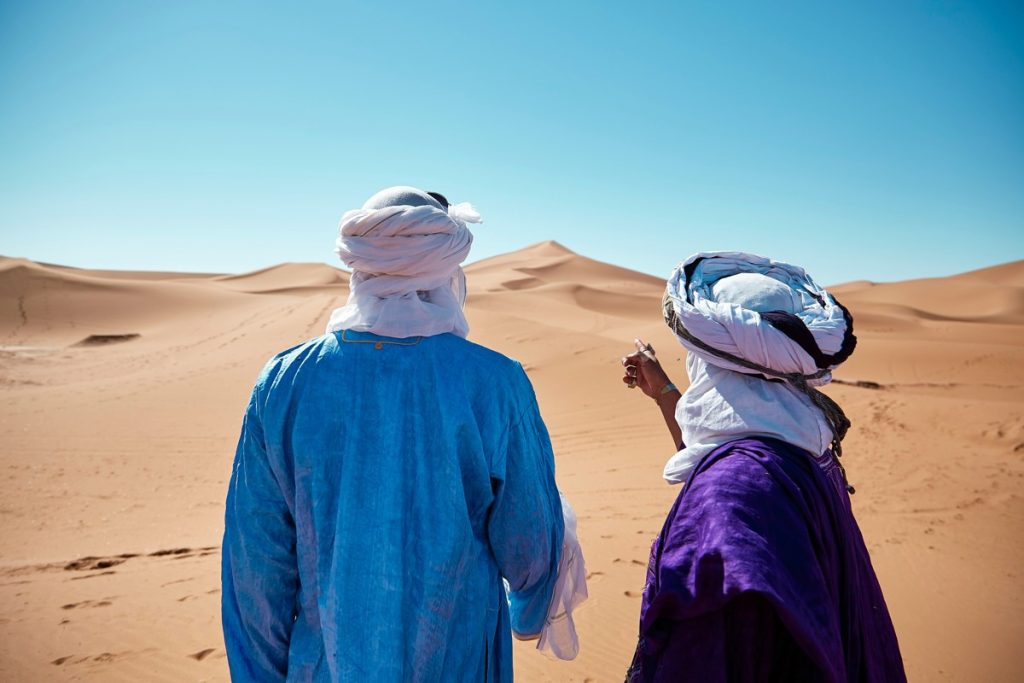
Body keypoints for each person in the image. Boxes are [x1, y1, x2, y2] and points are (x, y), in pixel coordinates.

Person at [221, 186, 585, 682]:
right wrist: (529, 606)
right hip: (455, 664)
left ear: (360, 266)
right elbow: (530, 545)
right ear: (446, 271)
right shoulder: (495, 382)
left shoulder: (285, 381)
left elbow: (256, 569)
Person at [621, 252, 906, 682]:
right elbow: (730, 451)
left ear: (709, 359)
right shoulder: (803, 446)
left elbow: (708, 654)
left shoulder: (732, 491)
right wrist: (662, 390)